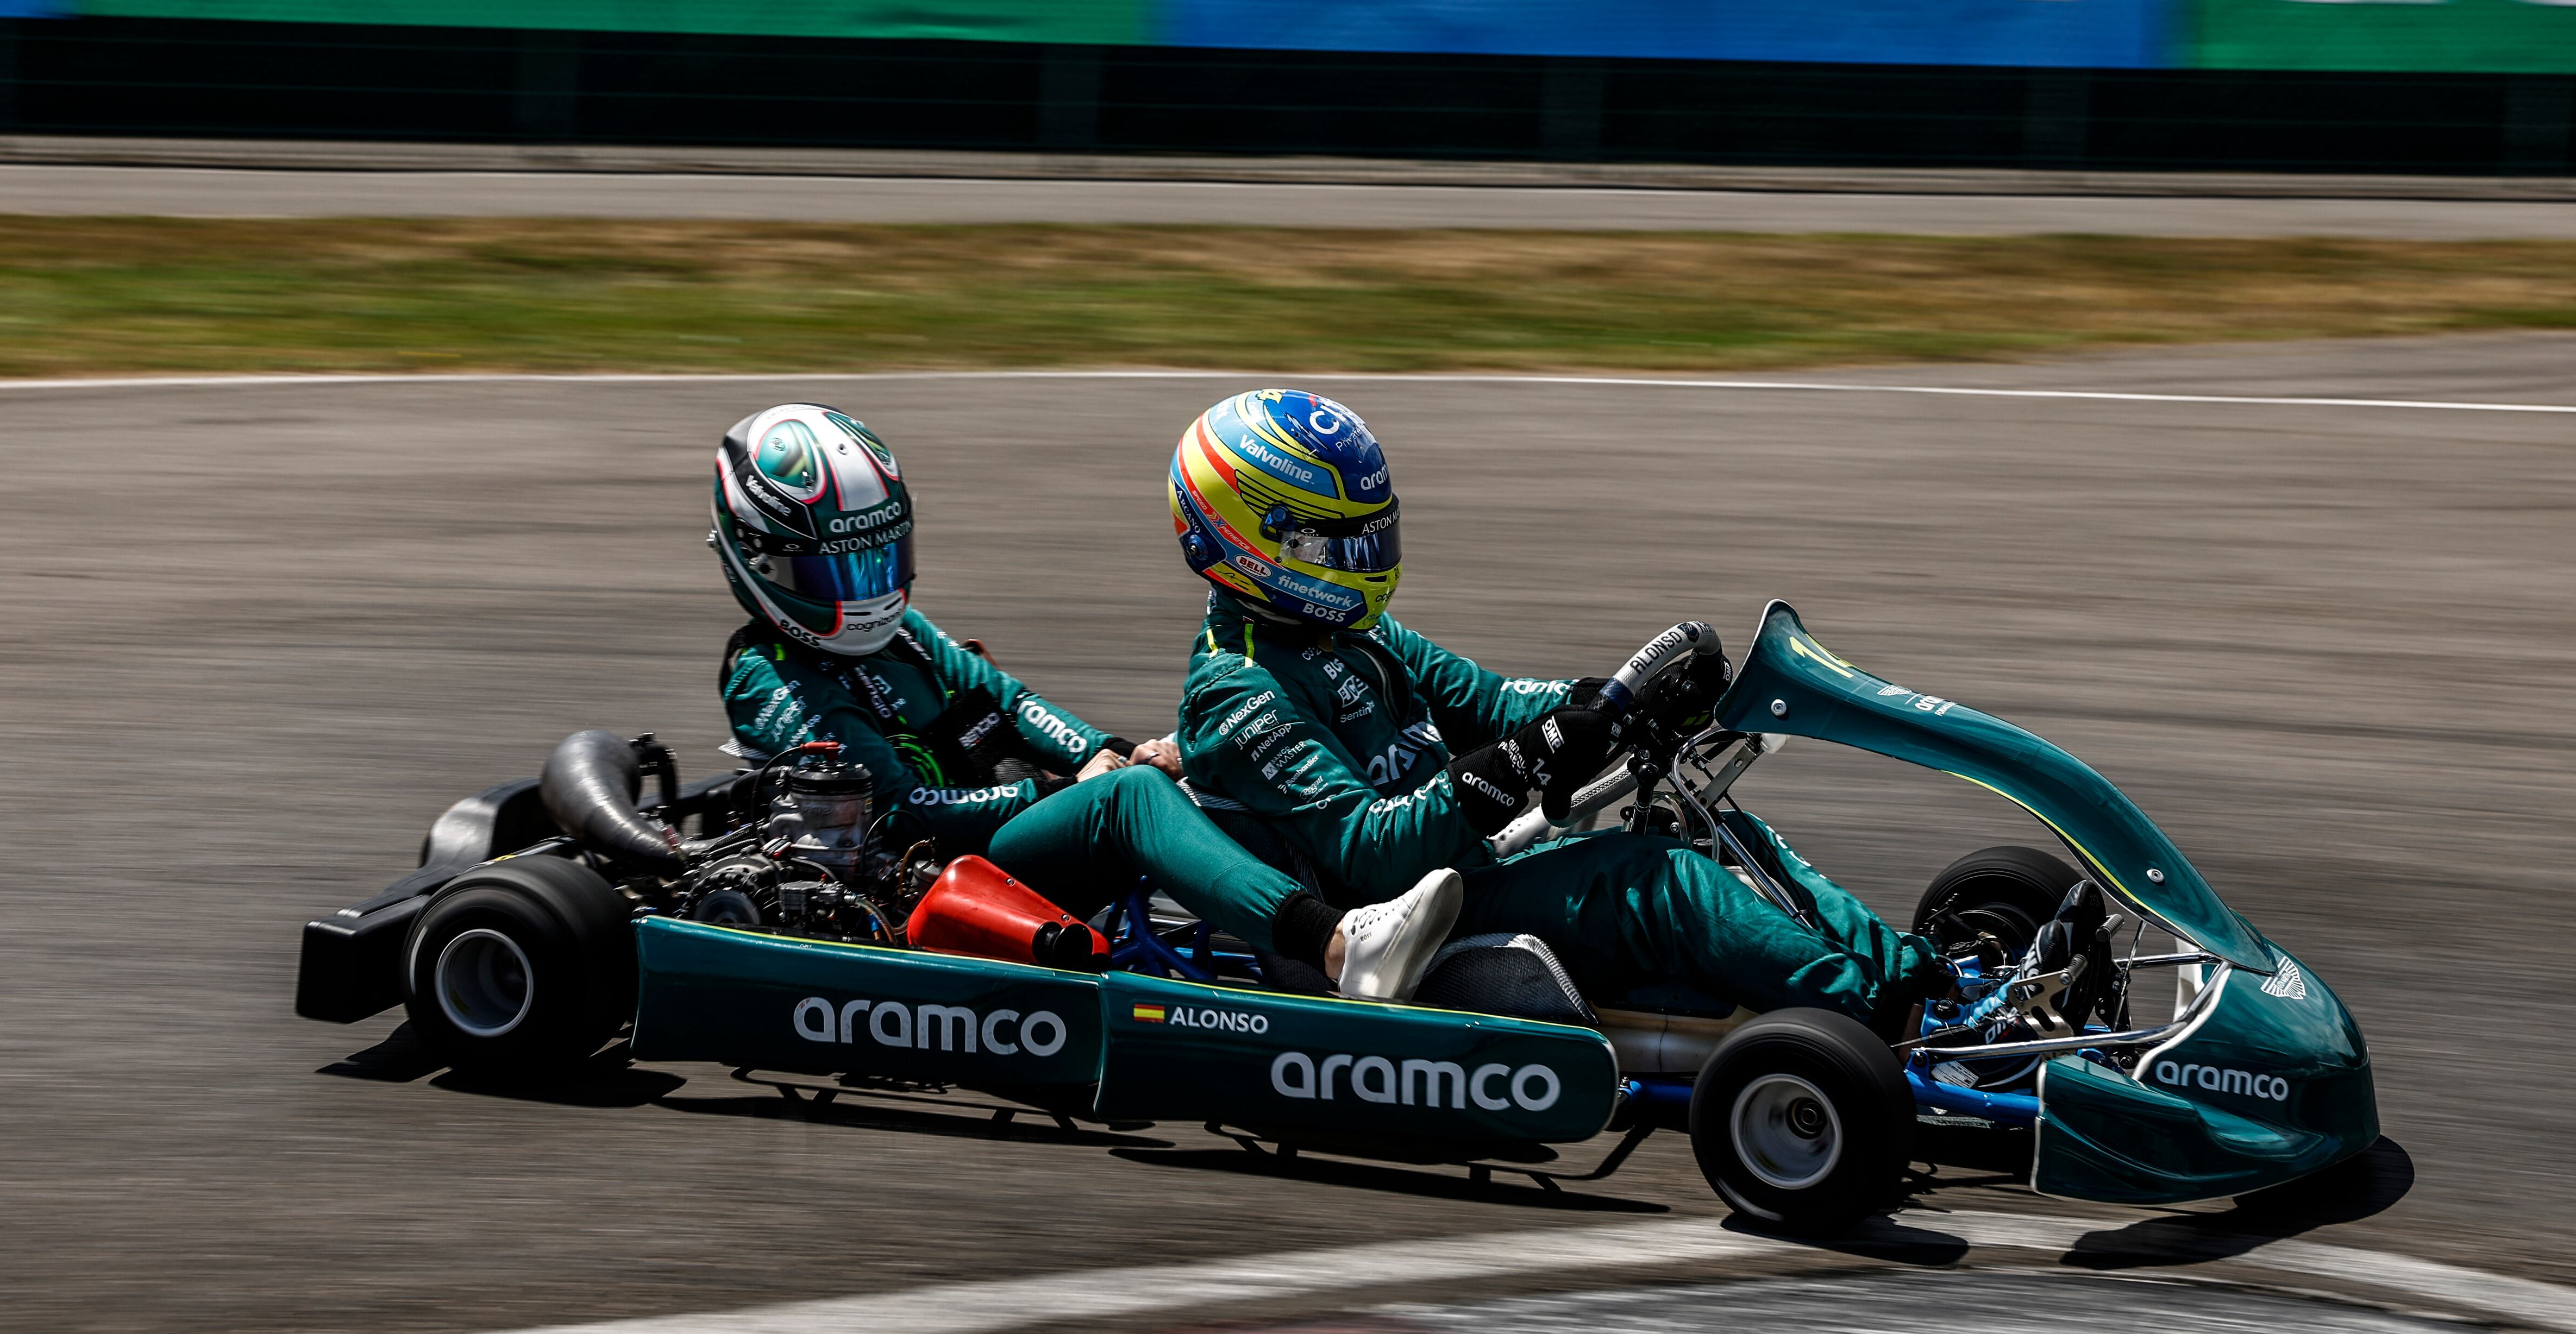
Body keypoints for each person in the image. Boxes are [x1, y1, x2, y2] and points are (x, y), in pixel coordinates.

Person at [1165, 387, 1948, 1027]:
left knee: (1716, 830)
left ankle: (1917, 976)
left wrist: (1606, 704)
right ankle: (1882, 1020)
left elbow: (1490, 702)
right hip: (1402, 918)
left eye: (1372, 540)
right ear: (1250, 540)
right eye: (1338, 548)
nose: (1365, 566)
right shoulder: (1239, 690)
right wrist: (1525, 758)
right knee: (1660, 881)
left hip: (1476, 861)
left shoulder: (1349, 630)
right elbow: (1368, 852)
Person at [710, 401, 1461, 999]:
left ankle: (1380, 887)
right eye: (839, 569)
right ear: (763, 558)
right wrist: (1071, 787)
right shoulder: (768, 674)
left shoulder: (901, 633)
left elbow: (1012, 702)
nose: (868, 588)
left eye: (879, 556)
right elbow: (905, 810)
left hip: (989, 849)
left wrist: (1112, 747)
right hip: (919, 877)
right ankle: (1339, 944)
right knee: (1129, 799)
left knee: (1168, 772)